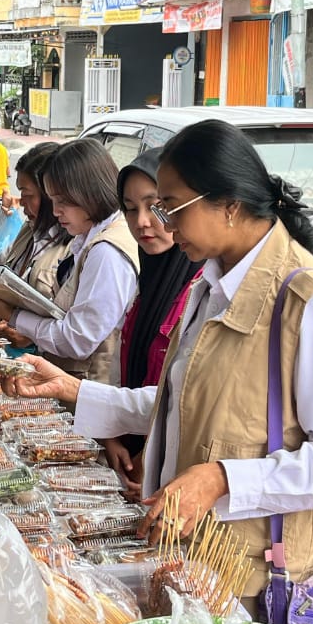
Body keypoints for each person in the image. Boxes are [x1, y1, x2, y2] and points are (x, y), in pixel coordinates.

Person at [6, 119, 313, 613]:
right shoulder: (210, 284)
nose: (162, 223)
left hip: (257, 580)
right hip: (192, 562)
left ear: (229, 204)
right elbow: (183, 404)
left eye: (171, 206)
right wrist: (74, 391)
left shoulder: (305, 301)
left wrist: (222, 478)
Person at [0, 137, 138, 383]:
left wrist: (12, 314)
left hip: (86, 389)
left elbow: (77, 340)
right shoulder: (88, 239)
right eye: (53, 201)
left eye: (61, 201)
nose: (56, 210)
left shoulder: (106, 251)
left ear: (88, 192)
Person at [101, 148, 204, 493]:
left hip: (176, 480)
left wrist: (153, 457)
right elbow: (123, 370)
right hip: (131, 464)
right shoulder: (146, 280)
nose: (142, 221)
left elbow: (187, 400)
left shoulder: (203, 290)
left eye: (156, 206)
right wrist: (113, 432)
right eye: (130, 210)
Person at [0, 142, 70, 350]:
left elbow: (75, 331)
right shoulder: (29, 230)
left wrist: (30, 335)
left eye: (28, 195)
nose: (21, 202)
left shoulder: (73, 247)